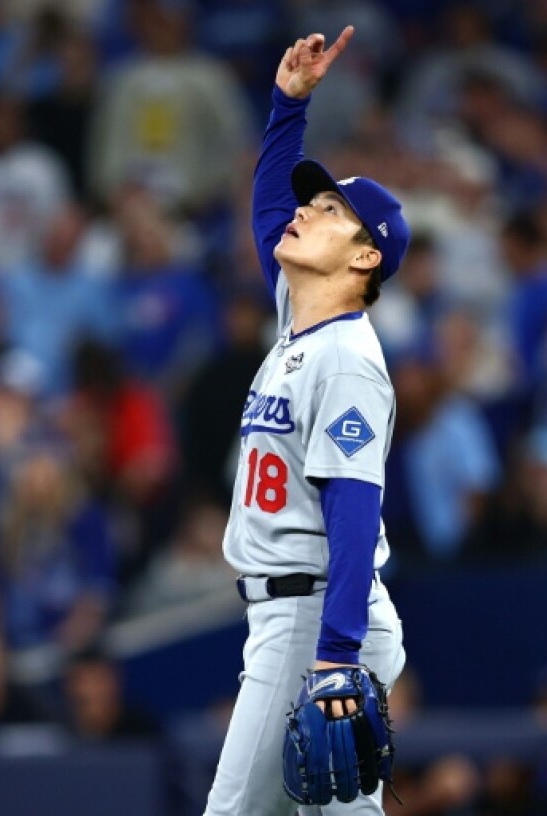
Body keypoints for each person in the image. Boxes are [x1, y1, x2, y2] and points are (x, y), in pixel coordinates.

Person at [203, 28, 408, 815]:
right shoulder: (301, 321)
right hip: (302, 612)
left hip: (313, 614)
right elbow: (265, 210)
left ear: (364, 260)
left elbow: (354, 509)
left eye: (328, 212)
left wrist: (334, 655)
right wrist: (288, 106)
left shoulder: (348, 358)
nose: (303, 212)